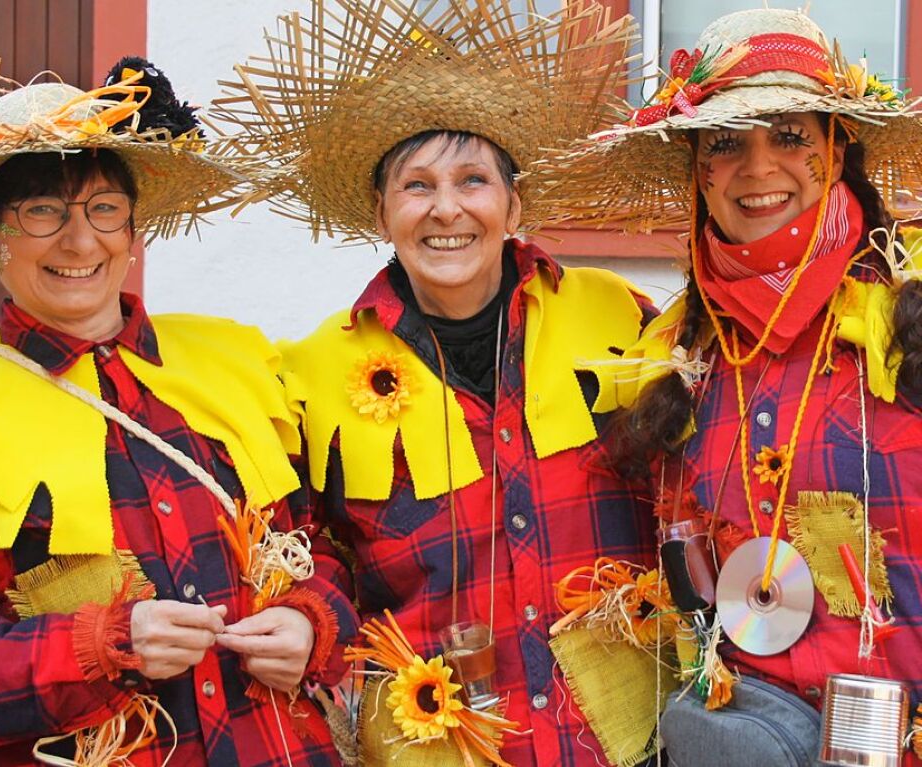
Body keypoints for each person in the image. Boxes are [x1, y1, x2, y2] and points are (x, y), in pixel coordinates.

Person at [207, 1, 662, 764]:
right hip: (436, 744)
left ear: (513, 203)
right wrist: (312, 621)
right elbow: (305, 550)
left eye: (473, 179)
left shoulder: (618, 319)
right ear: (383, 212)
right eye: (416, 186)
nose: (446, 208)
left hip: (625, 739)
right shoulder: (311, 374)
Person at [0, 59, 347, 766]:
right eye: (42, 210)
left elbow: (322, 546)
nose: (81, 242)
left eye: (104, 208)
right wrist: (101, 643)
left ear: (134, 226)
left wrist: (313, 621)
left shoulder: (234, 366)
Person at [545, 7, 922, 765]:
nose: (757, 169)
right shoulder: (672, 356)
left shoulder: (910, 313)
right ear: (698, 171)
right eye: (724, 144)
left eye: (789, 135)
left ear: (836, 147)